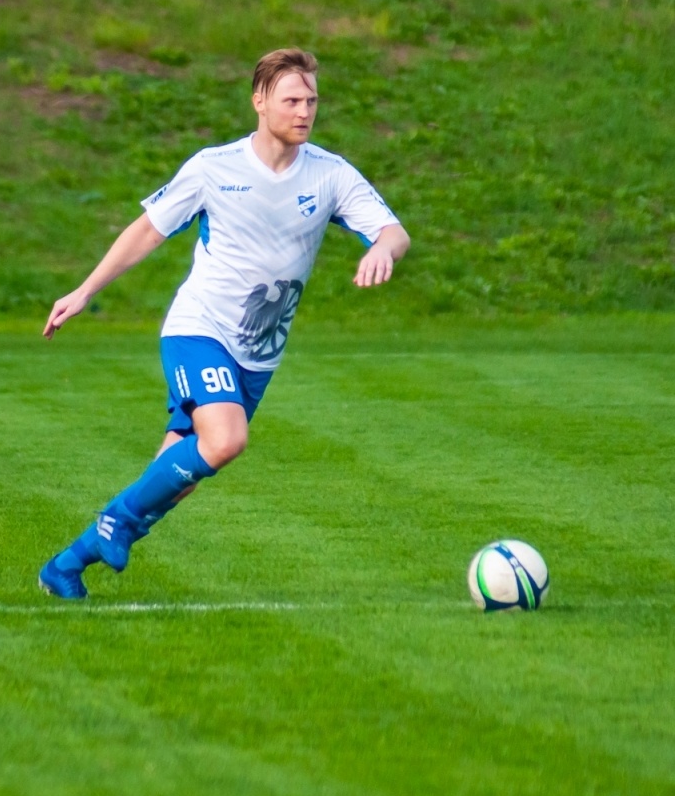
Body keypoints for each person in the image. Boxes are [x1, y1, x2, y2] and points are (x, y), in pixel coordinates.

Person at [38, 48, 410, 600]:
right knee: (227, 438)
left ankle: (67, 564)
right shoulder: (215, 167)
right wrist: (85, 290)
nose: (304, 111)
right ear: (259, 101)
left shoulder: (330, 174)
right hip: (199, 329)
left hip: (259, 353)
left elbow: (394, 232)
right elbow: (148, 230)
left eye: (311, 100)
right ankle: (117, 521)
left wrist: (382, 248)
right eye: (291, 100)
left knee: (177, 476)